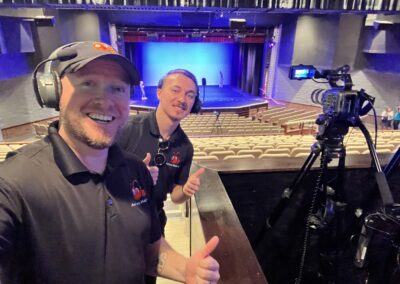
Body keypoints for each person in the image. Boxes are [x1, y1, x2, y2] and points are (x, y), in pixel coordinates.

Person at [0, 41, 220, 284]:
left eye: (117, 89)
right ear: (54, 92)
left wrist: (185, 269)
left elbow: (148, 249)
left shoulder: (136, 171)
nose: (105, 101)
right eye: (88, 84)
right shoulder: (12, 184)